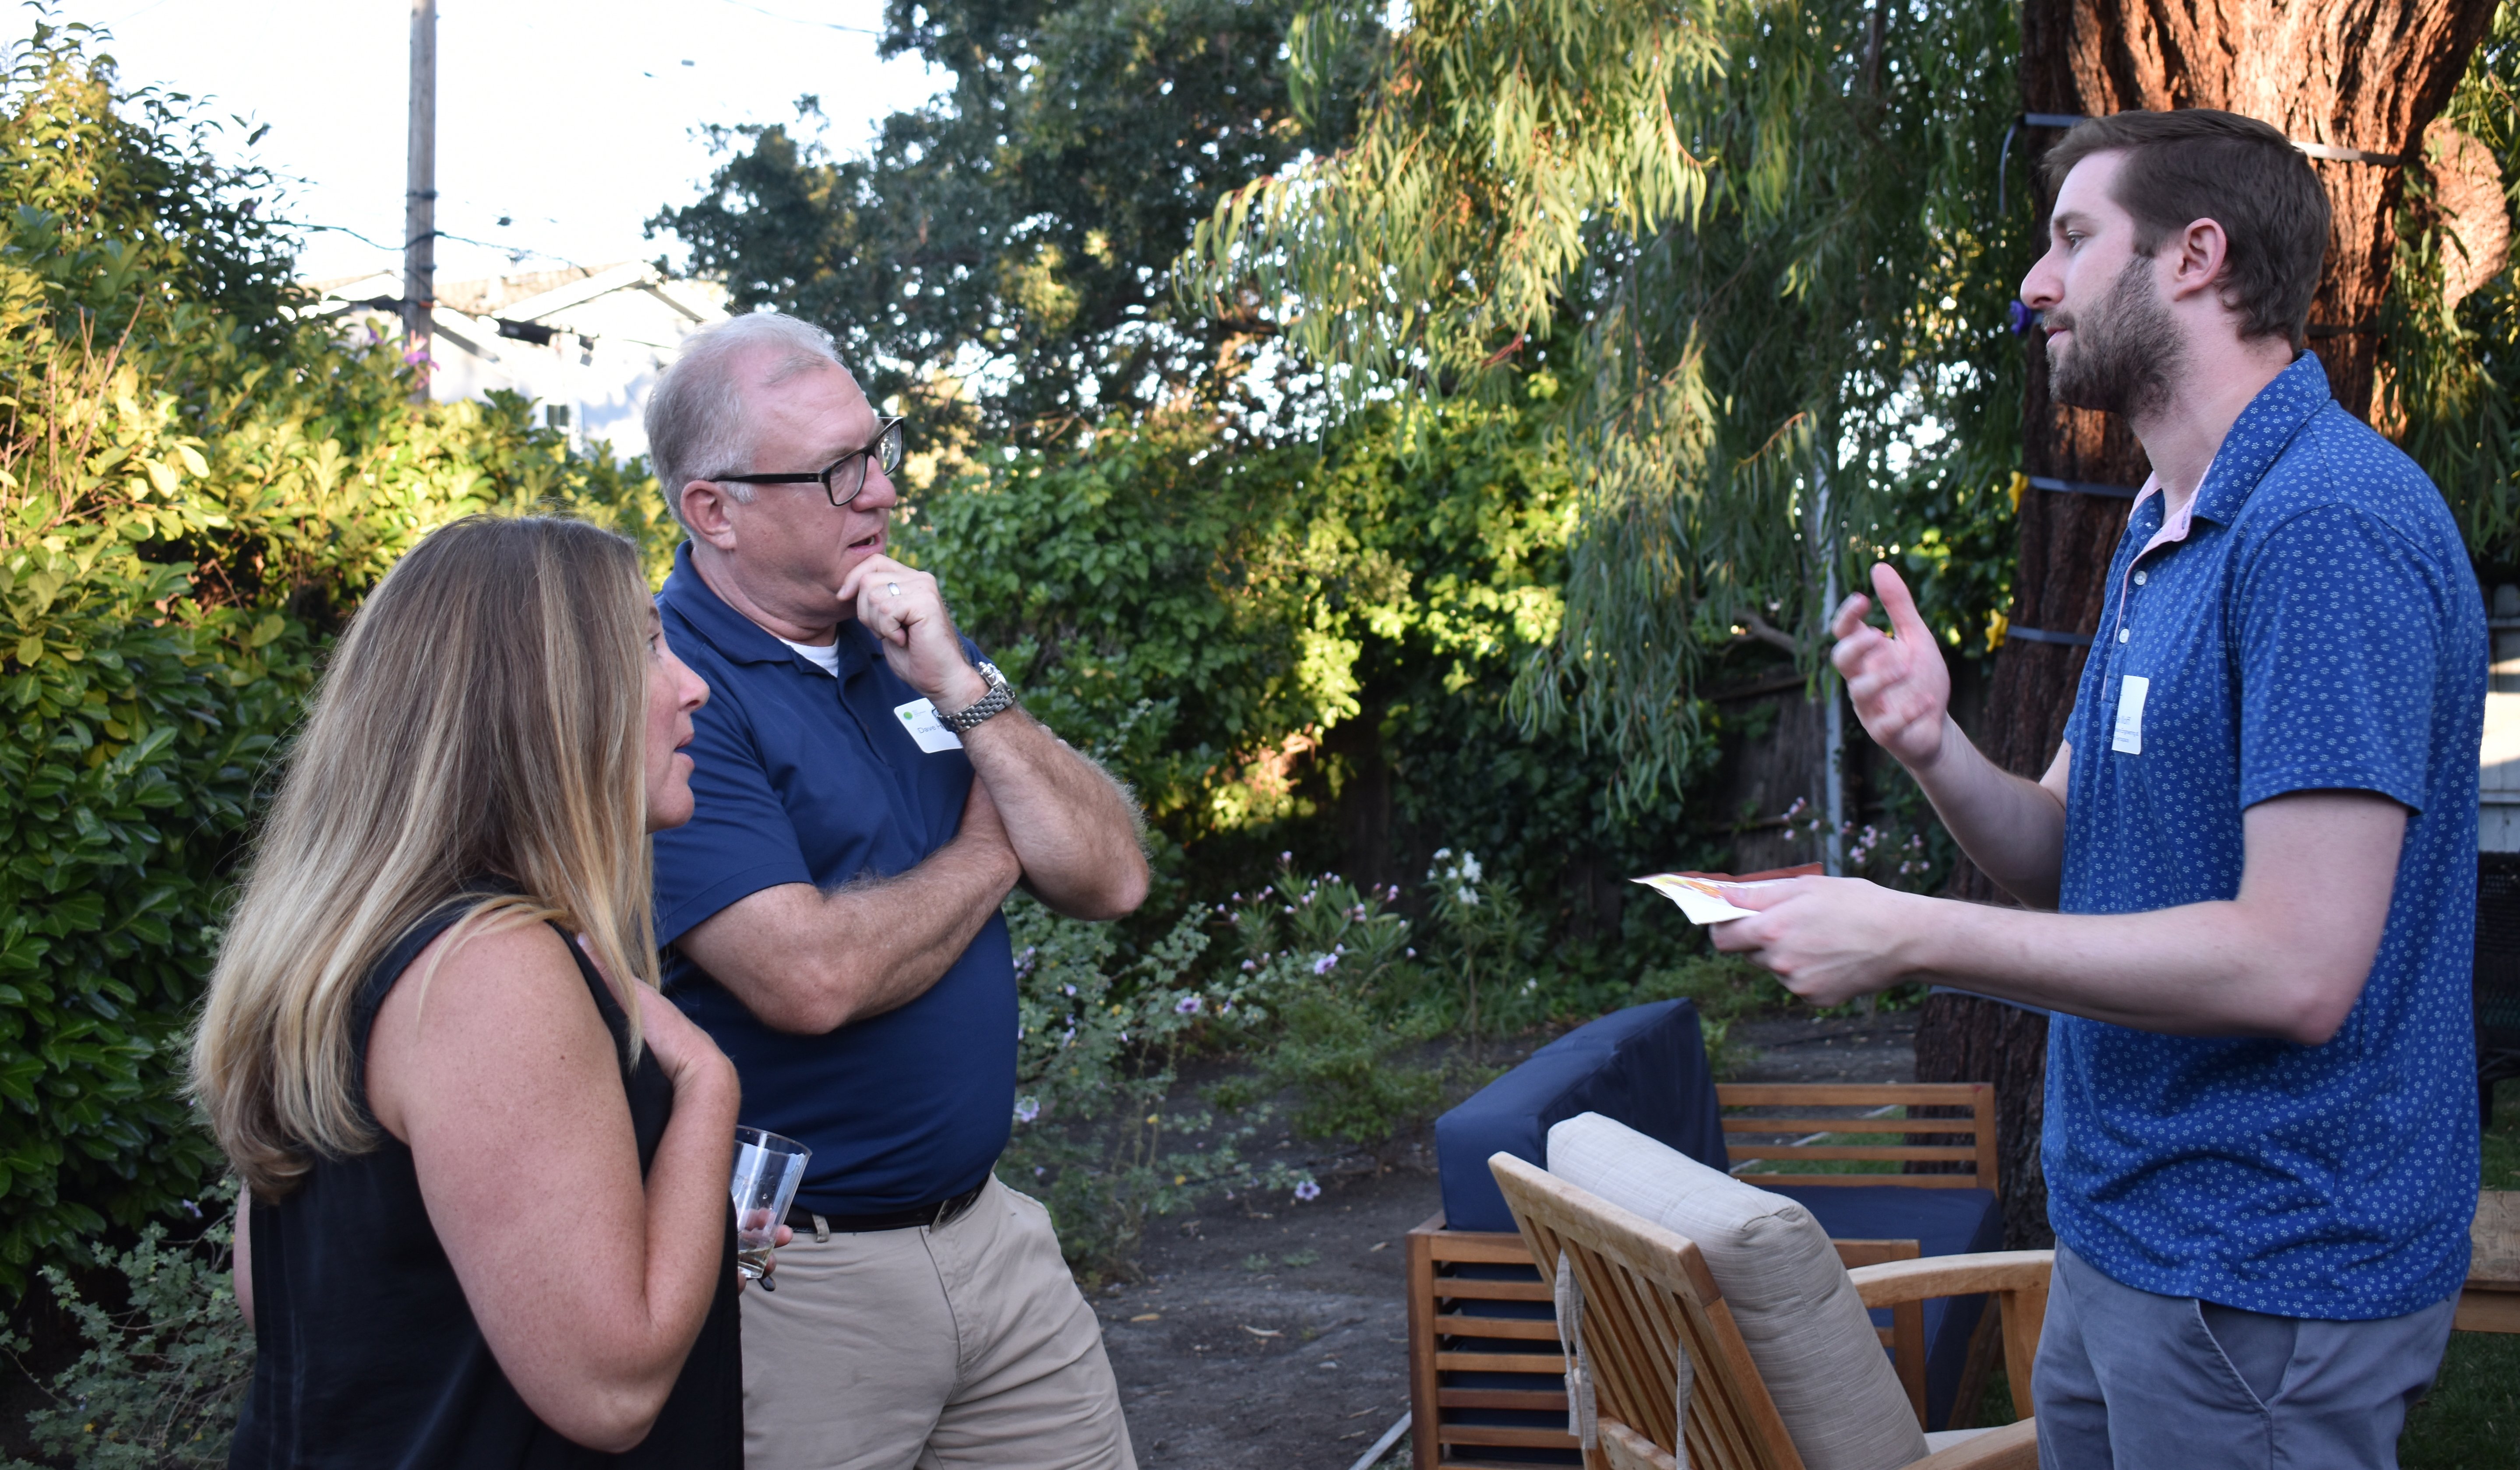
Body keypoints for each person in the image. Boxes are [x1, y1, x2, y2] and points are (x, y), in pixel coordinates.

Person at [1709, 110, 2483, 1469]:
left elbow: (2295, 966)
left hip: (2261, 1272)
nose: (2032, 281)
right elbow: (2071, 855)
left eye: (2071, 238)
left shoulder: (2323, 530)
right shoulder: (2161, 523)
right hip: (2124, 1238)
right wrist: (1935, 749)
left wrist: (1907, 933)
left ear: (2195, 256)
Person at [641, 311, 1152, 1470]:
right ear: (712, 509)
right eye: (835, 469)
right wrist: (989, 848)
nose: (879, 492)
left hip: (992, 1238)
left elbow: (1110, 873)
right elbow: (806, 975)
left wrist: (960, 683)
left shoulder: (904, 634)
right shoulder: (665, 690)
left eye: (881, 449)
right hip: (795, 1282)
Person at [193, 515, 751, 1467]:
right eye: (650, 644)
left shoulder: (350, 944)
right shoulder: (486, 969)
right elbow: (612, 1390)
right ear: (548, 701)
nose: (693, 683)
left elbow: (285, 1294)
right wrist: (705, 1081)